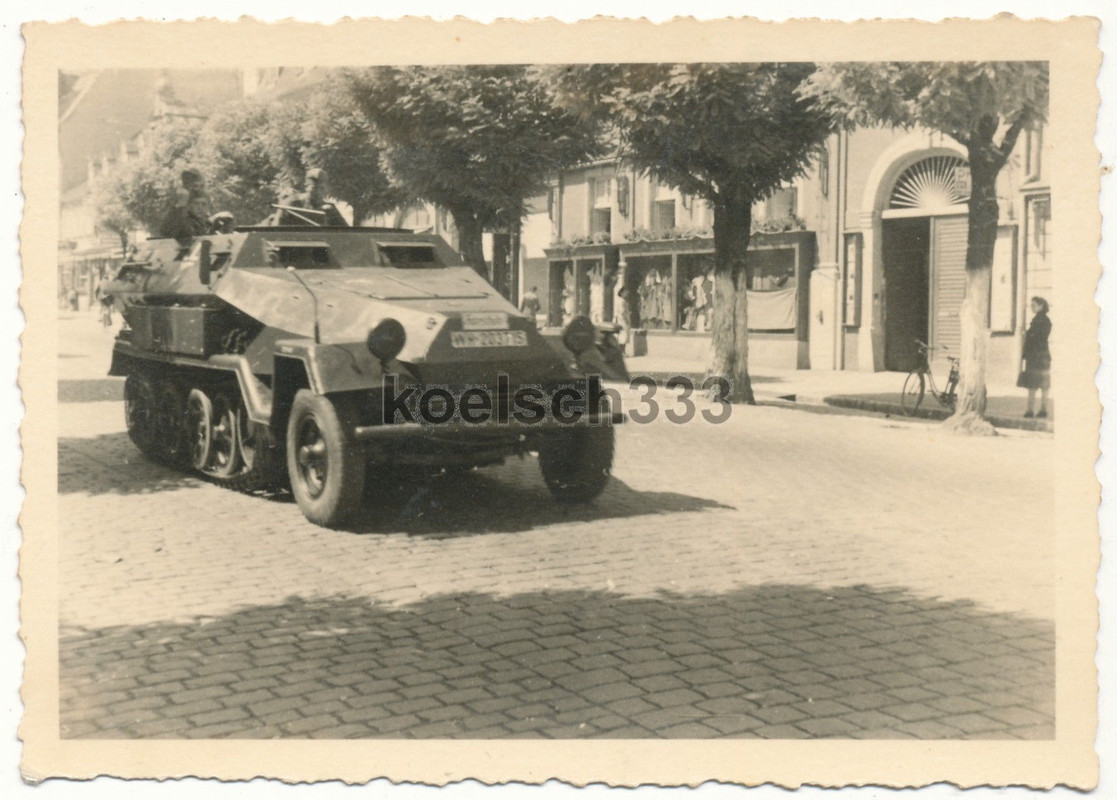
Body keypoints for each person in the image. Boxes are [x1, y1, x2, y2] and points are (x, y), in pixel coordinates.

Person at [266, 168, 348, 227]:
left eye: (321, 188)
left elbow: (347, 233)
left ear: (326, 189)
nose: (318, 192)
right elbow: (276, 231)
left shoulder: (329, 210)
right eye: (314, 188)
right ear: (306, 187)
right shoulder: (292, 204)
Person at [1018, 296, 1052, 418]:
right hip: (1043, 355)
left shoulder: (1039, 321)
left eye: (1034, 305)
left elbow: (1036, 338)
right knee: (1043, 385)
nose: (1031, 307)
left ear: (1041, 306)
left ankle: (1030, 410)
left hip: (1035, 356)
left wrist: (1027, 335)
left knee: (1033, 384)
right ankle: (1043, 410)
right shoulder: (1045, 320)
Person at [158, 169, 210, 240]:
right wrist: (181, 205)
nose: (198, 190)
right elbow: (169, 231)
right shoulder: (178, 209)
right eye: (195, 186)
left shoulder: (202, 214)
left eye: (201, 186)